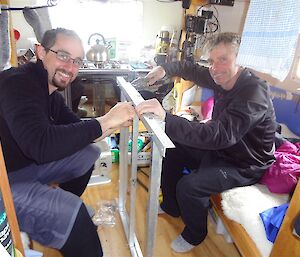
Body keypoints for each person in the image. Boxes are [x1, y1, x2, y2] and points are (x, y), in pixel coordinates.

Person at [136, 32, 277, 253]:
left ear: (240, 61)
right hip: (224, 149)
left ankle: (196, 234)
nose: (214, 67)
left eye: (223, 59)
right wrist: (166, 69)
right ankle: (171, 206)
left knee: (190, 186)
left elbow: (219, 135)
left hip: (245, 164)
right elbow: (192, 69)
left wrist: (166, 117)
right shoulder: (220, 76)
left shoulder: (254, 93)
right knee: (171, 146)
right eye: (211, 60)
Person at [0, 28, 135, 257]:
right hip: (4, 184)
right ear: (40, 52)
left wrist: (116, 122)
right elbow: (40, 145)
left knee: (88, 152)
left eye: (77, 61)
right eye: (63, 55)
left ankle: (58, 206)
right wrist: (106, 120)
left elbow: (78, 129)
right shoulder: (18, 84)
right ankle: (64, 214)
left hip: (19, 166)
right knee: (76, 217)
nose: (70, 67)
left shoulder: (49, 91)